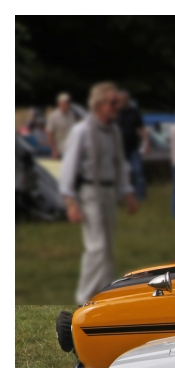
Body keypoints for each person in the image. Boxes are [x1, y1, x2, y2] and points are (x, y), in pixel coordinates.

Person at [59, 82, 137, 305]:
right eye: (113, 103)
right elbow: (69, 168)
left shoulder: (113, 131)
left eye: (117, 102)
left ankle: (104, 295)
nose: (117, 107)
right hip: (89, 192)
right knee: (97, 247)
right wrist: (70, 202)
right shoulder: (81, 131)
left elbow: (119, 164)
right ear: (99, 105)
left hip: (108, 191)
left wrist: (128, 192)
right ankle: (83, 299)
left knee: (108, 247)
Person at [116, 91, 147, 200]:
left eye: (123, 99)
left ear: (127, 100)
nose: (121, 102)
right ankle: (121, 196)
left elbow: (142, 128)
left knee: (138, 171)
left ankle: (141, 195)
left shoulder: (134, 112)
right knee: (120, 173)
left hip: (133, 147)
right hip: (119, 148)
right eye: (119, 100)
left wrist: (147, 143)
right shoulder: (115, 112)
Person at [45, 92, 77, 159]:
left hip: (71, 150)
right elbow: (49, 133)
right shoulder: (53, 116)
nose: (67, 104)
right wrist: (54, 149)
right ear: (59, 103)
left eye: (68, 102)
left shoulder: (72, 115)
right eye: (65, 102)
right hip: (59, 151)